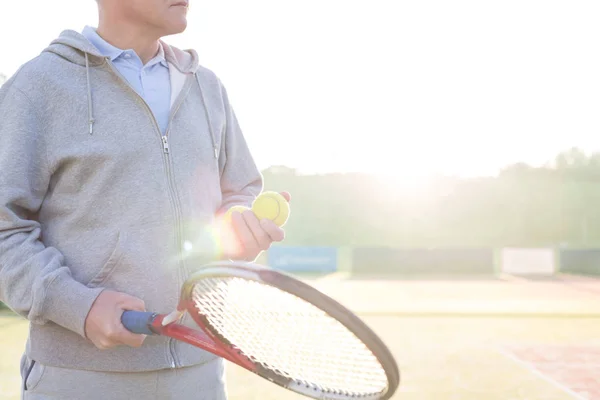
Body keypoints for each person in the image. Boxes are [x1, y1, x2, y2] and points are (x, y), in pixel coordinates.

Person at [0, 0, 290, 398]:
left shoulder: (208, 88)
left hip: (200, 370)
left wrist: (237, 227)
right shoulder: (39, 86)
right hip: (80, 377)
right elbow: (4, 229)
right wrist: (77, 306)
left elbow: (237, 193)